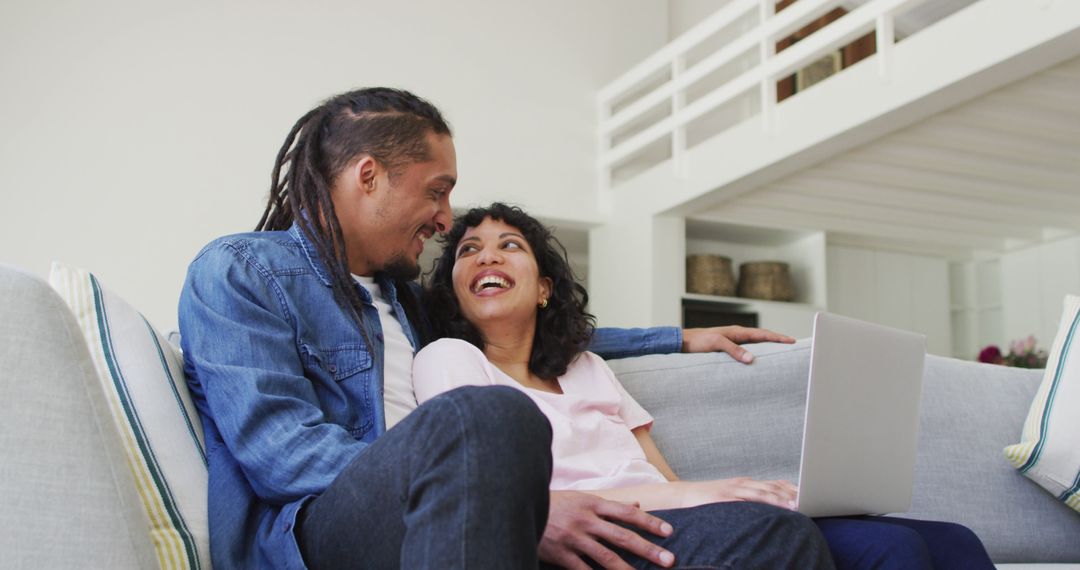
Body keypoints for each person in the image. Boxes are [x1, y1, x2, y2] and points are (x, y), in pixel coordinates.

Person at [178, 87, 808, 569]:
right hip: (323, 530)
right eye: (437, 191)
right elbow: (285, 457)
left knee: (769, 534)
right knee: (492, 414)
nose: (445, 219)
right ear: (368, 176)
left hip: (460, 518)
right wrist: (509, 499)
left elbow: (524, 331)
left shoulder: (407, 304)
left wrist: (678, 338)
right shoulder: (241, 271)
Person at [414, 202, 997, 570]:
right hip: (606, 530)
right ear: (455, 291)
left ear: (543, 287)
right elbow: (483, 494)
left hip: (671, 510)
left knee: (950, 544)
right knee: (782, 533)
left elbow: (660, 477)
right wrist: (707, 496)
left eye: (508, 245)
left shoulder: (587, 367)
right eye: (469, 250)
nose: (487, 255)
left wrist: (710, 492)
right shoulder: (450, 360)